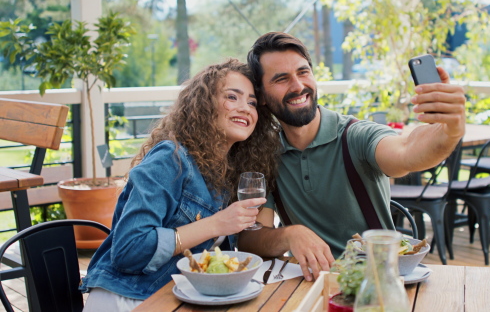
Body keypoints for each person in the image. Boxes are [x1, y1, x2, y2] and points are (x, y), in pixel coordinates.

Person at [238, 32, 466, 281]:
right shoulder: (266, 153)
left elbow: (406, 151)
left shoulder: (355, 136)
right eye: (281, 79)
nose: (298, 86)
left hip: (378, 283)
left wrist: (449, 131)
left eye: (303, 72)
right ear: (260, 96)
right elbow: (251, 239)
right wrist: (289, 235)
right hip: (309, 284)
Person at [80, 58, 280, 311]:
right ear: (204, 105)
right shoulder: (170, 159)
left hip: (178, 297)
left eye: (252, 102)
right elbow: (129, 250)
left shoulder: (229, 172)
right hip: (129, 299)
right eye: (232, 97)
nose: (246, 108)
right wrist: (217, 224)